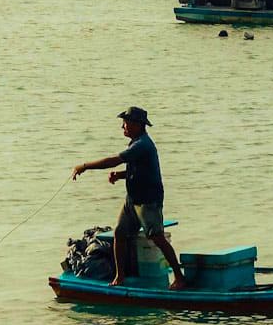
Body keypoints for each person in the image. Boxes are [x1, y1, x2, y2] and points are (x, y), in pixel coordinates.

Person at [70, 107, 187, 290]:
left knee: (156, 237)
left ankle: (179, 278)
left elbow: (114, 159)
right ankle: (120, 275)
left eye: (125, 123)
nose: (122, 126)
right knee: (119, 233)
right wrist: (120, 175)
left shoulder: (143, 145)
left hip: (148, 200)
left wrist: (85, 166)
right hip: (132, 200)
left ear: (137, 125)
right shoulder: (135, 144)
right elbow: (138, 170)